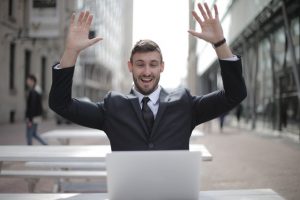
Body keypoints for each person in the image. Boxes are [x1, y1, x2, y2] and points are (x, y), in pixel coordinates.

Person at [49, 3, 247, 151]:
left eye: (153, 64)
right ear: (130, 67)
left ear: (162, 67)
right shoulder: (112, 107)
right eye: (140, 64)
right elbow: (61, 104)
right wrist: (71, 52)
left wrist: (220, 43)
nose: (146, 72)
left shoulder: (184, 104)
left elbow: (234, 94)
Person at [25, 74, 47, 145]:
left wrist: (30, 119)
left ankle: (29, 150)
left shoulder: (33, 92)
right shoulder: (37, 90)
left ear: (32, 81)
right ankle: (46, 144)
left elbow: (32, 107)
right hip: (36, 116)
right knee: (33, 133)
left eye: (28, 80)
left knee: (29, 135)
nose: (27, 82)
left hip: (32, 118)